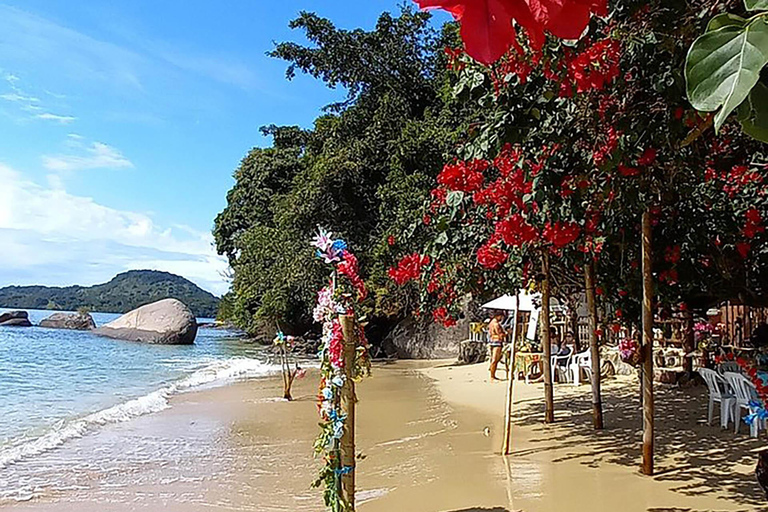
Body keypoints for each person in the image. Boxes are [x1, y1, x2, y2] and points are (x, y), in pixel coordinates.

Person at [488, 312, 507, 381]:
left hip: (492, 341)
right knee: (495, 360)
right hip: (497, 342)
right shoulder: (496, 324)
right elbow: (500, 334)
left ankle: (492, 376)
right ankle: (492, 377)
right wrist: (506, 334)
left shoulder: (491, 323)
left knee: (493, 359)